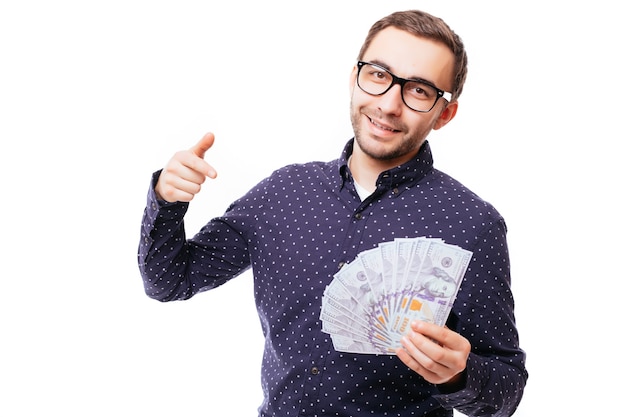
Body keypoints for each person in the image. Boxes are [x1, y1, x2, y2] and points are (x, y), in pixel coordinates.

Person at [138, 9, 528, 417]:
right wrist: (167, 200)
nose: (390, 104)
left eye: (418, 90)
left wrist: (459, 375)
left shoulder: (472, 223)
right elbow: (169, 281)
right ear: (355, 78)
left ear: (444, 113)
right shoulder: (283, 193)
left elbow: (506, 391)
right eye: (379, 75)